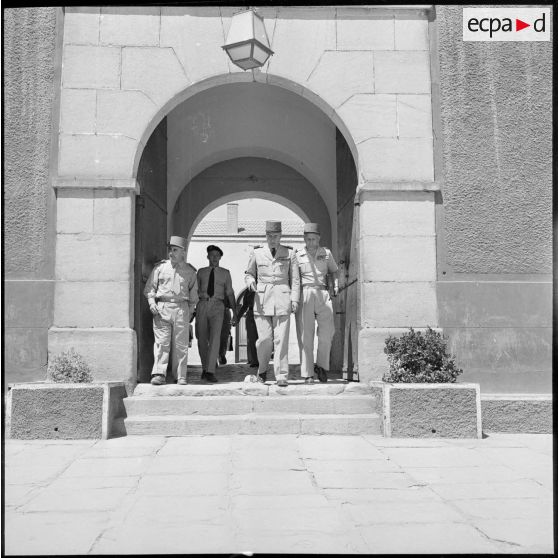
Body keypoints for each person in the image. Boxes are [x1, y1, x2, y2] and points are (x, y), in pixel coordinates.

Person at [245, 220, 300, 386]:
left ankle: (281, 375)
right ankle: (262, 370)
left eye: (275, 236)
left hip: (283, 299)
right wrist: (250, 281)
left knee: (281, 340)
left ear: (281, 236)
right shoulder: (257, 253)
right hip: (262, 301)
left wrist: (295, 299)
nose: (272, 239)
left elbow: (295, 279)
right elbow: (249, 273)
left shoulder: (290, 253)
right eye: (269, 236)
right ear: (266, 236)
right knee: (264, 339)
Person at [144, 236, 198, 386]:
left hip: (181, 308)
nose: (171, 253)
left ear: (183, 252)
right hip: (163, 308)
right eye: (170, 250)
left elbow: (194, 295)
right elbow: (150, 288)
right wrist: (151, 302)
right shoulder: (160, 268)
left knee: (181, 345)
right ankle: (159, 374)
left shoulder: (190, 272)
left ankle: (180, 376)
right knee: (162, 342)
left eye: (175, 250)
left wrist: (190, 311)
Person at [295, 222, 339, 383]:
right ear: (304, 239)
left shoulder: (326, 253)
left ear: (319, 239)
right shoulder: (297, 255)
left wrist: (335, 285)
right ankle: (307, 372)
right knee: (305, 335)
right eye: (308, 239)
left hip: (323, 292)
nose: (311, 242)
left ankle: (321, 366)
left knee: (327, 332)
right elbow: (294, 278)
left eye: (314, 239)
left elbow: (334, 271)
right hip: (305, 293)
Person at [196, 245, 236, 383]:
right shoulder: (201, 272)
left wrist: (235, 312)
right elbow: (195, 290)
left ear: (220, 258)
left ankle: (210, 371)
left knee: (215, 338)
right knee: (201, 338)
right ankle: (205, 367)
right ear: (207, 256)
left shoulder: (225, 273)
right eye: (212, 255)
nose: (214, 258)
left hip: (218, 305)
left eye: (217, 255)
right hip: (202, 304)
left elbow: (230, 292)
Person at [236, 288, 259, 368]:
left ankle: (262, 359)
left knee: (263, 338)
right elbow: (245, 305)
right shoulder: (248, 290)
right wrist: (238, 318)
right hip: (251, 313)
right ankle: (254, 360)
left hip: (262, 314)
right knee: (252, 339)